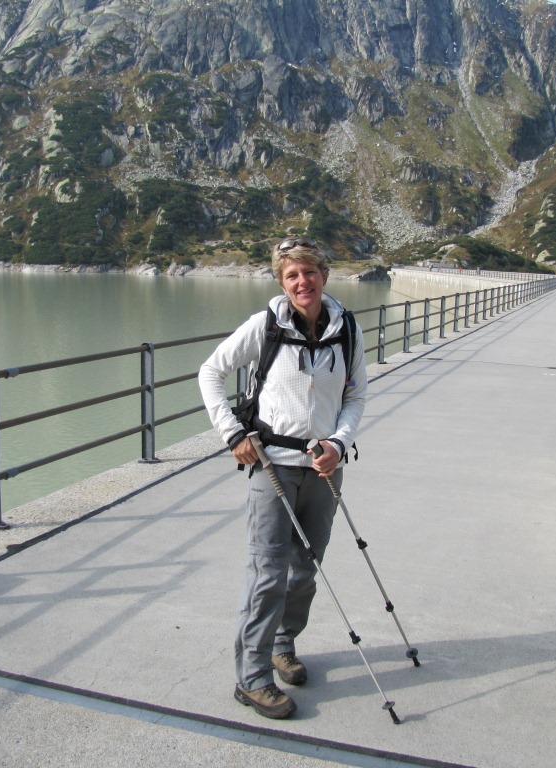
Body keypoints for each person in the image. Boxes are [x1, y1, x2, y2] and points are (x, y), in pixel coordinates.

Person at [198, 236, 368, 719]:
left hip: (324, 469)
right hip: (271, 467)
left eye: (309, 272)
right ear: (282, 282)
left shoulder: (347, 330)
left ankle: (282, 644)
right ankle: (251, 678)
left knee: (305, 570)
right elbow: (210, 371)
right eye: (292, 275)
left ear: (324, 275)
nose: (302, 282)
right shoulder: (264, 326)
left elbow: (355, 397)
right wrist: (233, 433)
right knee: (267, 574)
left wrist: (337, 443)